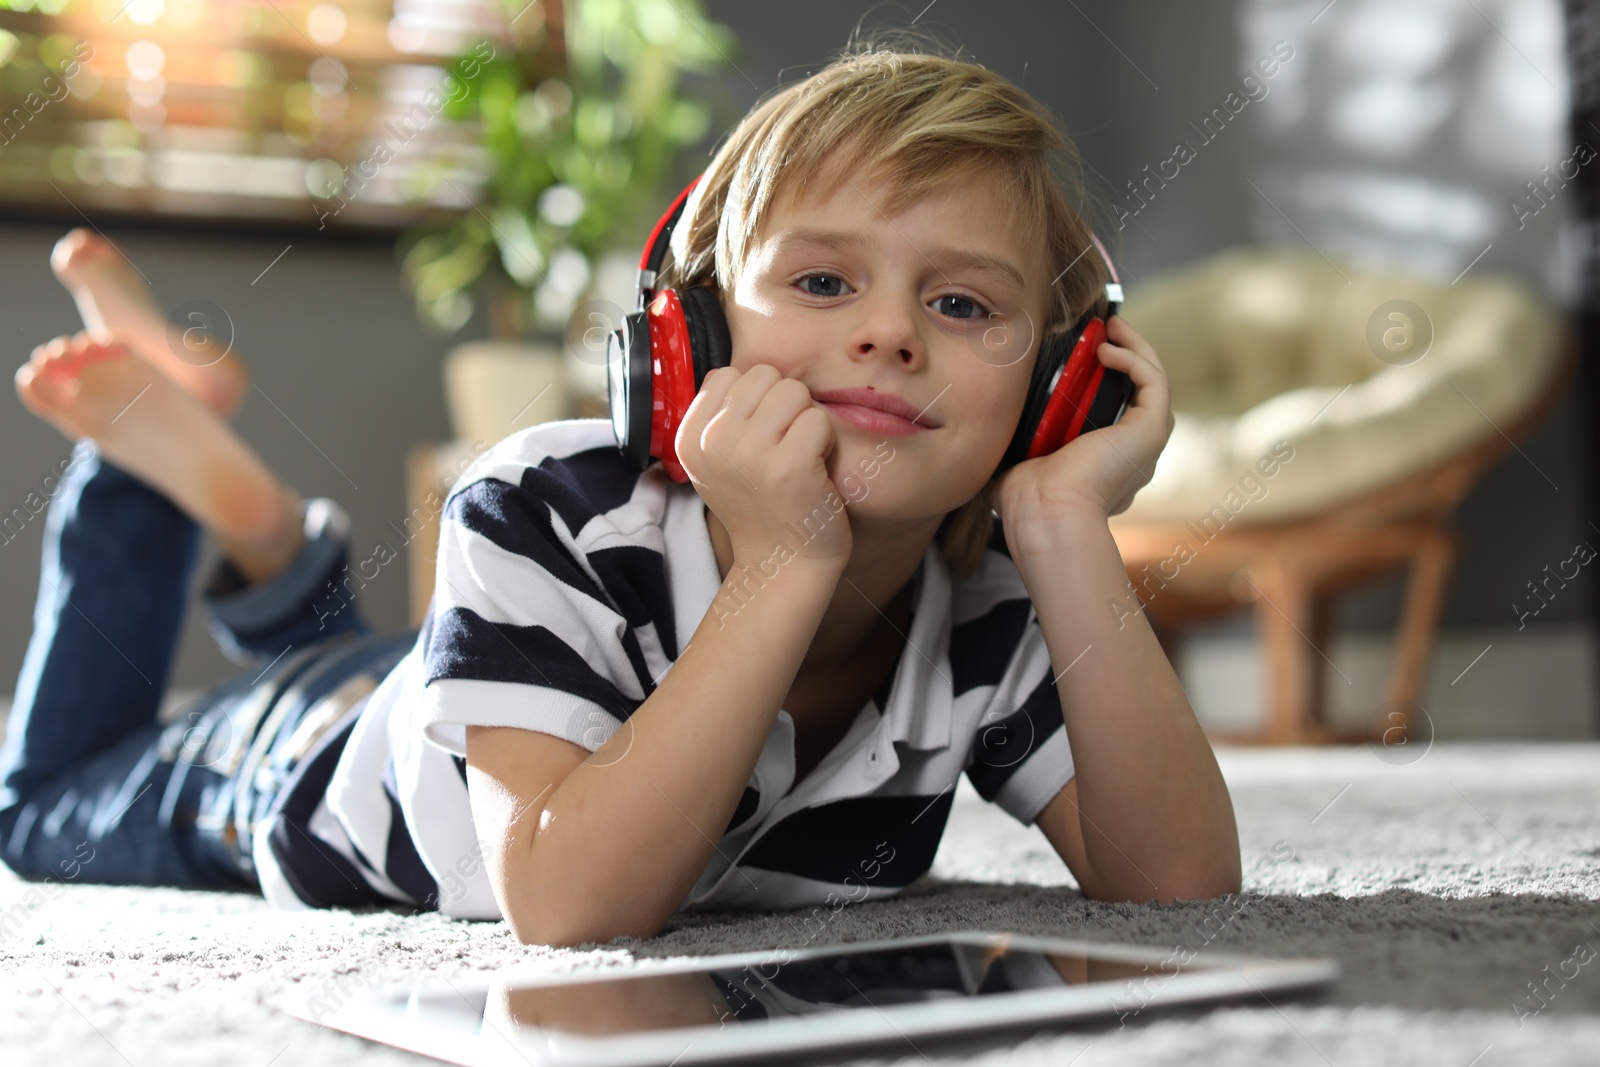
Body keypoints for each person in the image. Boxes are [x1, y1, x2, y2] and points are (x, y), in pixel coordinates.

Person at [0, 42, 1241, 946]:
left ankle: (272, 548)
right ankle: (141, 472)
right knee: (44, 811)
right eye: (820, 283)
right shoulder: (545, 501)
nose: (889, 334)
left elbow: (1178, 883)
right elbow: (568, 903)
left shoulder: (994, 593)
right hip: (300, 766)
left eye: (962, 303)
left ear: (1054, 389)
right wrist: (782, 563)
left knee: (397, 663)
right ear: (686, 335)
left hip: (453, 685)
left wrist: (1063, 522)